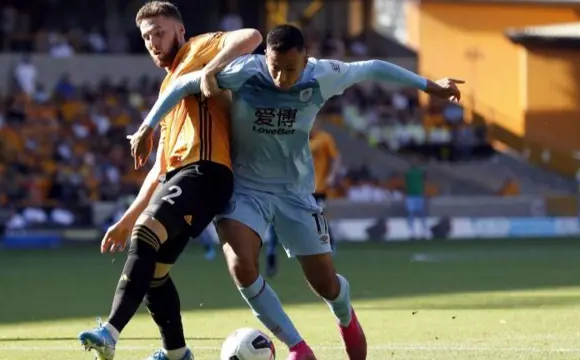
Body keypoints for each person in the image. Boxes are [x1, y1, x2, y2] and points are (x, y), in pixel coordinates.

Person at [129, 24, 463, 360]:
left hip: (295, 194)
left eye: (290, 69)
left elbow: (374, 67)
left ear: (305, 59)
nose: (281, 78)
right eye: (275, 67)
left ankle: (345, 316)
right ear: (266, 58)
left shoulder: (323, 75)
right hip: (246, 189)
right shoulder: (247, 71)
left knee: (325, 285)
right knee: (241, 266)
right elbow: (186, 82)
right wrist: (147, 127)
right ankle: (298, 347)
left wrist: (429, 86)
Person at [77, 2, 262, 360]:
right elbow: (159, 168)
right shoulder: (168, 89)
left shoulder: (196, 49)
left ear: (180, 30)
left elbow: (251, 36)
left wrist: (211, 69)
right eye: (146, 37)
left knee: (147, 235)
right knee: (154, 271)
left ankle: (110, 333)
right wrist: (125, 220)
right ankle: (176, 354)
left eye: (159, 32)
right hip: (182, 176)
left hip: (207, 170)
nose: (153, 42)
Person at [266, 122, 341, 277]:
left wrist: (332, 175)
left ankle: (328, 247)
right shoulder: (295, 139)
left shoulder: (324, 138)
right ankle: (272, 252)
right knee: (278, 220)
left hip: (318, 188)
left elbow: (336, 157)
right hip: (295, 189)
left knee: (319, 218)